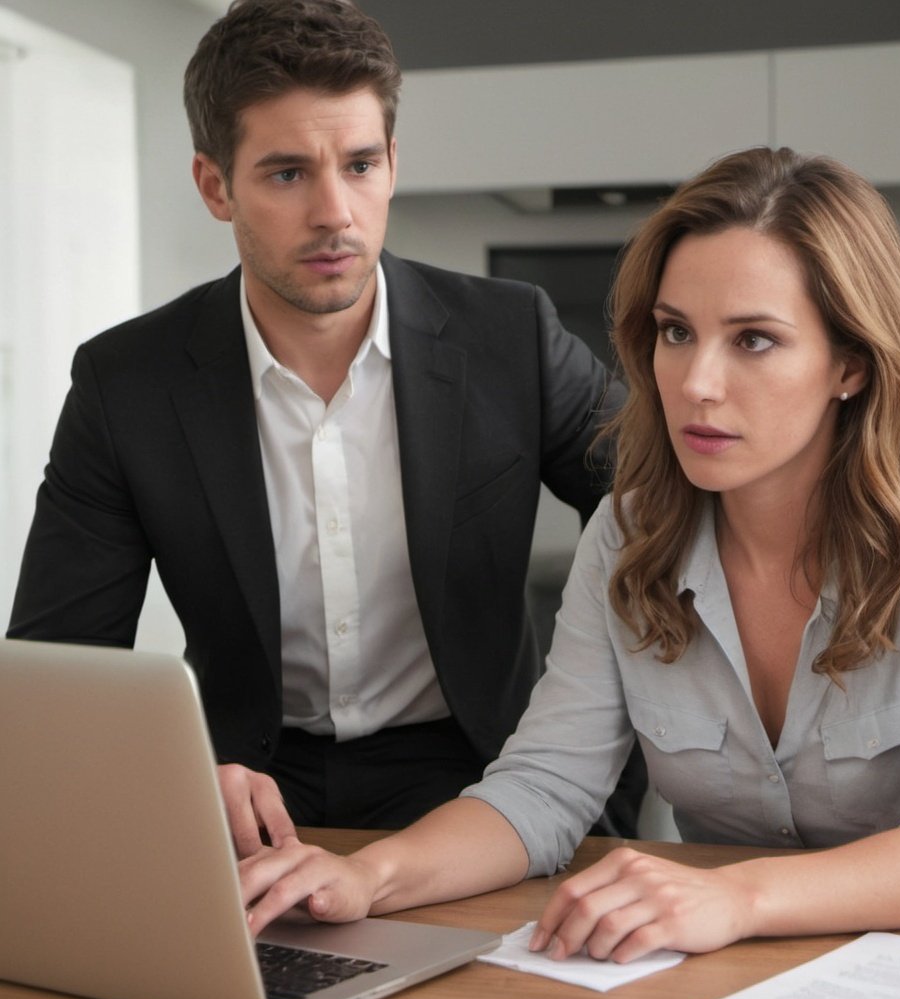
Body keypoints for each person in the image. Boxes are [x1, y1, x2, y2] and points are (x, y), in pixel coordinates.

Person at [234, 146, 900, 958]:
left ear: (850, 364)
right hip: (713, 983)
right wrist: (369, 876)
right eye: (676, 332)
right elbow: (542, 788)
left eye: (753, 340)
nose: (695, 382)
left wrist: (735, 897)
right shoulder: (627, 534)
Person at [6, 0, 642, 844]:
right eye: (286, 173)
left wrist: (613, 772)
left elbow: (669, 513)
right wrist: (173, 779)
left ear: (392, 164)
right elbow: (58, 671)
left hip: (485, 773)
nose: (335, 212)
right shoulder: (126, 384)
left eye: (359, 164)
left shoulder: (509, 335)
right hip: (245, 791)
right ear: (214, 187)